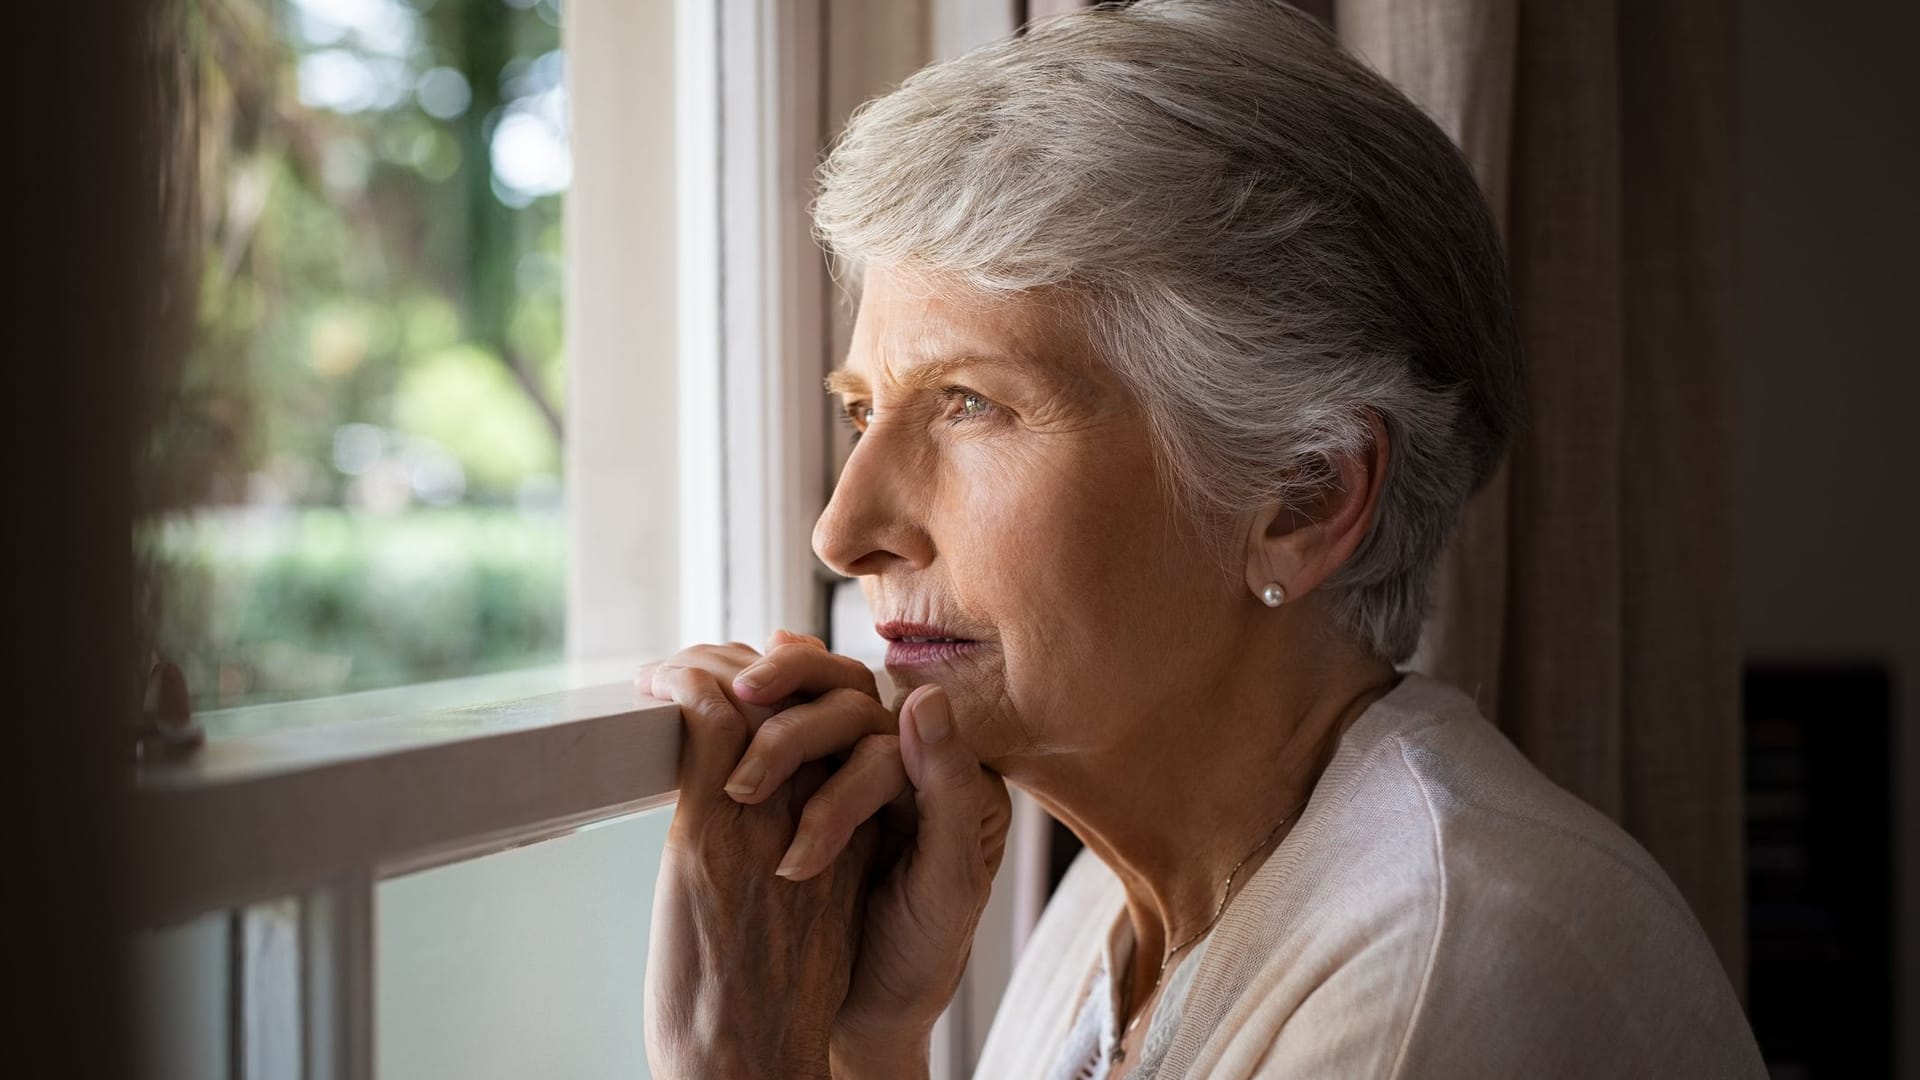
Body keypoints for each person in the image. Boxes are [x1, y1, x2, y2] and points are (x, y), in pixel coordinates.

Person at [638, 1, 1767, 1076]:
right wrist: (871, 1043)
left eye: (969, 404)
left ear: (1303, 498)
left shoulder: (1445, 958)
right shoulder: (1115, 910)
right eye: (860, 412)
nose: (845, 532)